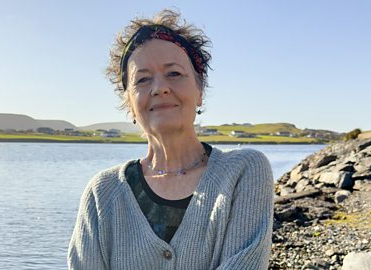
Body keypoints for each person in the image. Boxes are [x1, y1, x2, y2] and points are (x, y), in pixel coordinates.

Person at [68, 9, 274, 270]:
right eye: (142, 79)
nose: (159, 88)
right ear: (129, 104)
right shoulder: (102, 193)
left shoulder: (244, 171)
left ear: (199, 91)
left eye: (174, 74)